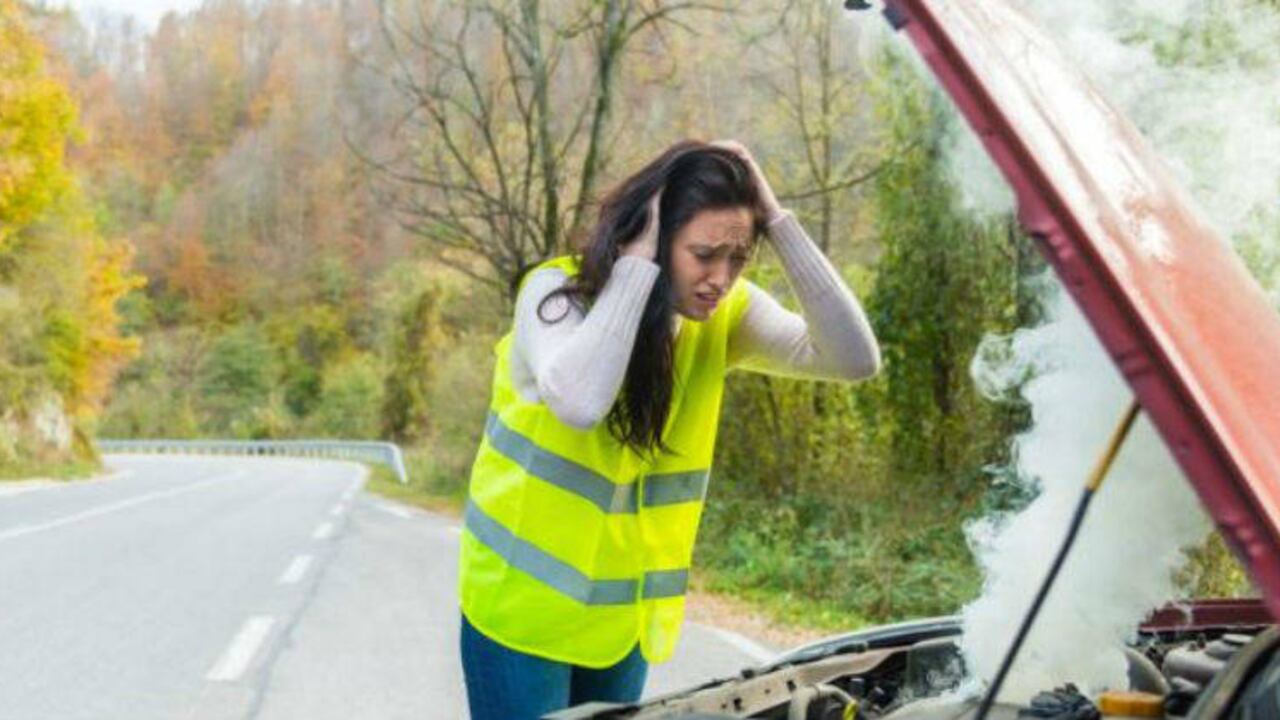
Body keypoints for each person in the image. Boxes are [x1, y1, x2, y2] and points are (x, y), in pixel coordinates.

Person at [457, 139, 881, 719]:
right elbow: (580, 402)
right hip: (521, 616)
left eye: (737, 259)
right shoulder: (555, 296)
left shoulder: (724, 317)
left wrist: (777, 221)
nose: (720, 279)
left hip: (620, 626)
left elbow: (854, 359)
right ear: (652, 239)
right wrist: (636, 269)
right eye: (703, 254)